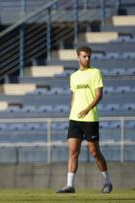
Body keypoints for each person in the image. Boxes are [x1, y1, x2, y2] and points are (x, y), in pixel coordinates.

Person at [57, 46, 112, 193]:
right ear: (78, 58)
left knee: (94, 151)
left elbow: (98, 95)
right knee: (73, 151)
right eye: (84, 56)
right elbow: (74, 96)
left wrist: (87, 109)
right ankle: (70, 185)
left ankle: (107, 181)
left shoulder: (95, 73)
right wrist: (72, 111)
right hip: (75, 119)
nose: (87, 59)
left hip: (90, 118)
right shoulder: (73, 76)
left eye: (89, 56)